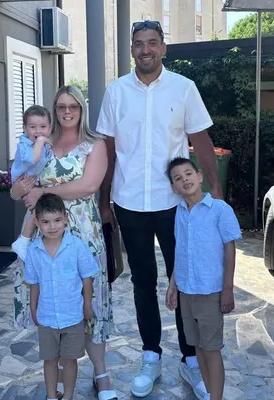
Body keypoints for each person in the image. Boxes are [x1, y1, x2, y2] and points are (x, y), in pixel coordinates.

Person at [97, 20, 221, 398]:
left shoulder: (184, 88)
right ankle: (151, 354)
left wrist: (214, 193)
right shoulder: (116, 92)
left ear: (164, 47)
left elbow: (201, 141)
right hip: (130, 202)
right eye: (139, 44)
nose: (146, 50)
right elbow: (108, 152)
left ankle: (189, 359)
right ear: (132, 49)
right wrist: (104, 201)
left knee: (185, 280)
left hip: (175, 204)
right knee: (143, 282)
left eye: (152, 43)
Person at [10, 86, 117, 400]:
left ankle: (101, 373)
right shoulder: (39, 141)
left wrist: (42, 192)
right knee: (52, 298)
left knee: (90, 300)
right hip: (43, 232)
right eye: (61, 106)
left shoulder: (95, 144)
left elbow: (89, 185)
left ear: (82, 109)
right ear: (54, 110)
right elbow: (16, 186)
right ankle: (57, 375)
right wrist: (20, 190)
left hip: (82, 231)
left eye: (74, 106)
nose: (67, 112)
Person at [165, 157, 241, 400]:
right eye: (178, 178)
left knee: (211, 349)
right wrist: (173, 285)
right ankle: (209, 394)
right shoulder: (179, 213)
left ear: (199, 176)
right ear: (174, 187)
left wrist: (227, 289)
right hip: (187, 292)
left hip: (210, 291)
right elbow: (181, 251)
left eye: (188, 174)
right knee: (197, 347)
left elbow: (230, 250)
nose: (184, 180)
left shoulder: (220, 209)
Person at [15, 193, 99, 400]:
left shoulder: (77, 247)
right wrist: (33, 308)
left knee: (70, 360)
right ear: (37, 222)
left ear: (65, 218)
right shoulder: (34, 251)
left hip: (73, 315)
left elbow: (87, 278)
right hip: (47, 317)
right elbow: (34, 283)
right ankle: (52, 396)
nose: (52, 227)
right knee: (50, 360)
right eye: (45, 222)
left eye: (57, 220)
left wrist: (87, 305)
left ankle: (68, 396)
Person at [11, 105, 53, 183]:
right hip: (24, 184)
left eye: (43, 126)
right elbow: (32, 160)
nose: (38, 131)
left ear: (50, 128)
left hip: (39, 183)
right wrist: (40, 141)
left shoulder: (46, 143)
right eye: (33, 127)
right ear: (25, 128)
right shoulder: (23, 146)